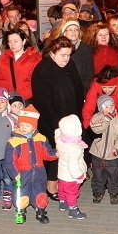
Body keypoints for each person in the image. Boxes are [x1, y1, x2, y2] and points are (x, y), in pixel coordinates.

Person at [32, 37, 85, 200]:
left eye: (68, 55)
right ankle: (51, 185)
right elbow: (43, 102)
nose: (66, 59)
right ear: (52, 52)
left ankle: (66, 183)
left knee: (69, 153)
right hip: (51, 122)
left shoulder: (70, 64)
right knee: (56, 153)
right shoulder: (43, 70)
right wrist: (58, 126)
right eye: (62, 55)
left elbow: (78, 90)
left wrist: (76, 119)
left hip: (70, 120)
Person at [5, 104, 58, 224]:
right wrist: (15, 173)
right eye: (21, 124)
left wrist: (56, 154)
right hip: (22, 173)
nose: (23, 127)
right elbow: (10, 161)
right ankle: (21, 211)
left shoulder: (41, 139)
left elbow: (47, 153)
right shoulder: (13, 141)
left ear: (34, 126)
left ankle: (40, 211)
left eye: (27, 125)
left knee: (40, 192)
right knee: (21, 193)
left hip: (39, 172)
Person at [89, 95, 118, 205]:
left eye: (111, 106)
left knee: (114, 175)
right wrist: (106, 119)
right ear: (100, 108)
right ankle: (98, 192)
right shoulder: (96, 118)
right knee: (97, 175)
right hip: (98, 153)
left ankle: (114, 192)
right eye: (106, 107)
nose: (110, 109)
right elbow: (96, 129)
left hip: (112, 155)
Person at [0, 30, 41, 104]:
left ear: (23, 41)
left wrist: (18, 97)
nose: (12, 44)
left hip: (27, 99)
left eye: (16, 41)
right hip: (7, 100)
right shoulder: (3, 58)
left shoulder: (34, 58)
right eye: (10, 41)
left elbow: (36, 82)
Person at [55, 114, 88, 219]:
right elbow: (73, 164)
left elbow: (57, 133)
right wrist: (78, 175)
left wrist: (61, 129)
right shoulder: (75, 148)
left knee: (62, 189)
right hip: (71, 176)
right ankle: (73, 209)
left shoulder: (61, 140)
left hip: (61, 174)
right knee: (72, 192)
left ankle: (62, 203)